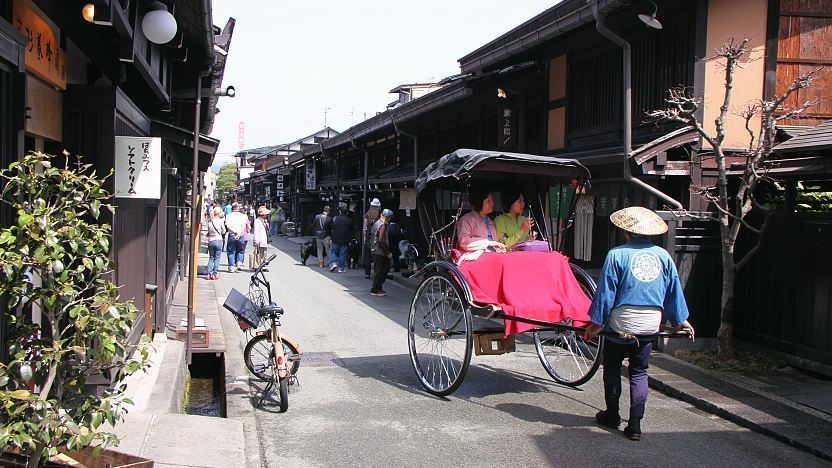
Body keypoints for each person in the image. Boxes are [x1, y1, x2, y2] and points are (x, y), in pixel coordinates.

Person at [583, 206, 694, 442]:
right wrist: (680, 320)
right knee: (639, 372)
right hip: (650, 323)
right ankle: (635, 425)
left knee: (612, 366)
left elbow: (606, 293)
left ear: (626, 232)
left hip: (622, 322)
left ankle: (612, 415)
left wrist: (596, 323)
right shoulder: (664, 256)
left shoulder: (617, 255)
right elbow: (673, 290)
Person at [455, 187, 507, 263]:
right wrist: (489, 243)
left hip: (493, 256)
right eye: (488, 201)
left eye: (492, 200)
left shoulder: (491, 222)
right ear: (479, 202)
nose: (492, 203)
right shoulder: (466, 220)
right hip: (475, 258)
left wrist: (500, 249)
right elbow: (464, 241)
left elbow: (495, 242)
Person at [370, 209, 394, 296]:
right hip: (380, 251)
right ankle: (375, 289)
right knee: (380, 271)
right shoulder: (382, 226)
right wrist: (388, 252)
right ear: (388, 218)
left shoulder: (376, 223)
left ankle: (378, 288)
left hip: (375, 250)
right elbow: (381, 241)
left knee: (379, 270)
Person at [224, 203, 247, 272]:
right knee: (240, 250)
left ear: (232, 208)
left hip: (232, 235)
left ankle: (231, 266)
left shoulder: (228, 216)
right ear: (238, 208)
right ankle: (239, 263)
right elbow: (243, 226)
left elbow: (228, 226)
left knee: (231, 251)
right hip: (240, 235)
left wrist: (235, 232)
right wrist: (239, 233)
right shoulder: (242, 216)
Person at [329, 207, 353, 273]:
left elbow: (331, 226)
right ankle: (341, 268)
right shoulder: (349, 220)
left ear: (340, 211)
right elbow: (351, 230)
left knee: (333, 251)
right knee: (342, 254)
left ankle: (333, 263)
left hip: (335, 238)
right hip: (345, 239)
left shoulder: (335, 218)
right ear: (347, 212)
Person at [205, 207, 226, 280]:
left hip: (211, 241)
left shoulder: (210, 221)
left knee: (211, 258)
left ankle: (208, 273)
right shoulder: (220, 221)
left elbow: (208, 231)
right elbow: (224, 231)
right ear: (219, 213)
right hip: (219, 240)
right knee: (217, 258)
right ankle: (214, 274)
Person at [363, 198, 382, 278]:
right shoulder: (380, 215)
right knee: (377, 257)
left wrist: (364, 237)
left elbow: (365, 227)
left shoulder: (367, 214)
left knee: (368, 256)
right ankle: (377, 273)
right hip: (377, 238)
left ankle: (367, 273)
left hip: (368, 237)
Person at [240, 205, 251, 270]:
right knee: (242, 250)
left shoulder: (237, 218)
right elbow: (249, 227)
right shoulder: (245, 219)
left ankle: (236, 261)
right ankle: (240, 262)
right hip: (245, 235)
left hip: (237, 235)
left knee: (236, 249)